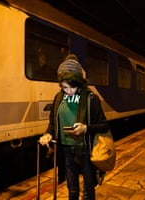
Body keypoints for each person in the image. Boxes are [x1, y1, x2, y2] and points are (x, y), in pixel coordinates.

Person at [39, 53, 109, 200]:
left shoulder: (91, 99)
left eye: (72, 87)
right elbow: (53, 122)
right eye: (65, 87)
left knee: (88, 191)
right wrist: (48, 134)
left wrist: (86, 129)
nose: (68, 91)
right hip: (66, 151)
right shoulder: (58, 98)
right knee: (72, 190)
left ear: (79, 82)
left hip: (86, 150)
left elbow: (104, 125)